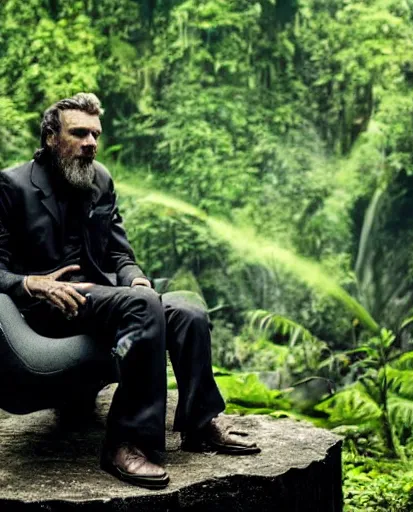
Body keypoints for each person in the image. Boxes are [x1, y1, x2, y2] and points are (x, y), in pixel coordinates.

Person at [0, 93, 259, 490]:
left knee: (187, 309)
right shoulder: (12, 186)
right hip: (46, 310)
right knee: (141, 305)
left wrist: (135, 277)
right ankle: (126, 444)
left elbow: (120, 253)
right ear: (51, 136)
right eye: (79, 133)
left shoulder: (99, 179)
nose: (91, 143)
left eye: (96, 134)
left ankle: (199, 423)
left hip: (106, 300)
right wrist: (30, 283)